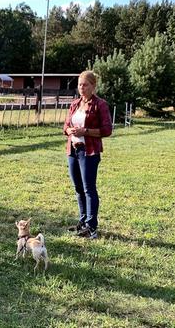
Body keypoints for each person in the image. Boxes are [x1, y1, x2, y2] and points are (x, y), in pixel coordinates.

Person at [63, 71, 112, 239]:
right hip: (73, 151)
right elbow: (65, 127)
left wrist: (86, 131)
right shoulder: (74, 104)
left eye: (85, 85)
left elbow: (107, 130)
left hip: (89, 152)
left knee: (89, 188)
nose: (81, 88)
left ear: (93, 86)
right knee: (78, 188)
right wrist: (69, 130)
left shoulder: (100, 105)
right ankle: (83, 221)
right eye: (79, 85)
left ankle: (91, 227)